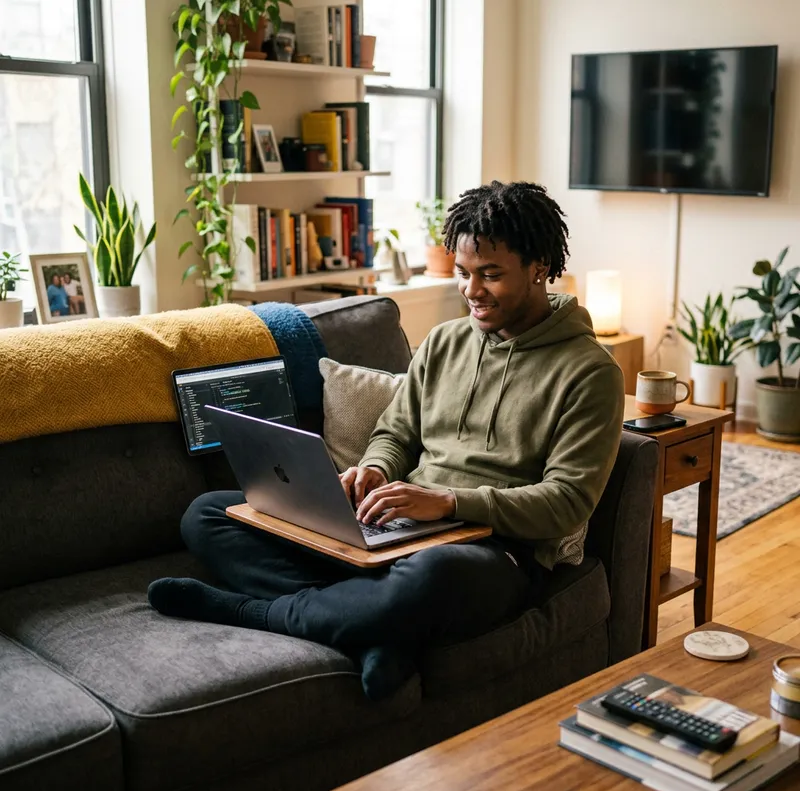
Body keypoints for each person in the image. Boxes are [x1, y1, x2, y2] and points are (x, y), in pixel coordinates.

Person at [148, 181, 625, 700]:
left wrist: (446, 502)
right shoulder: (445, 342)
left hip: (493, 551)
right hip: (398, 529)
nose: (471, 290)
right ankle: (373, 629)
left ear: (538, 268)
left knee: (431, 579)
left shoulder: (590, 372)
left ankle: (261, 611)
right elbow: (396, 432)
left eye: (491, 275)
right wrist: (375, 469)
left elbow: (567, 501)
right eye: (463, 273)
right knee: (211, 515)